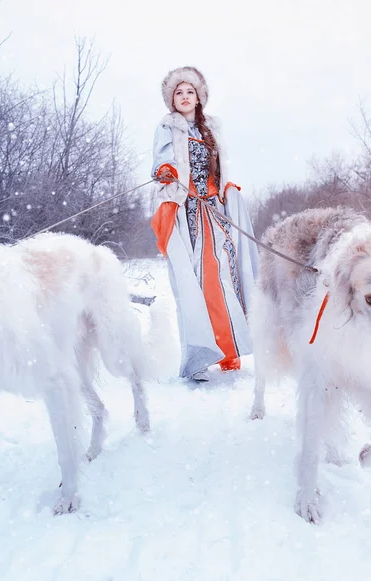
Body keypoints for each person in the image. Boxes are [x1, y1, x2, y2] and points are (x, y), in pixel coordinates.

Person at [151, 66, 259, 382]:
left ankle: (229, 352)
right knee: (196, 282)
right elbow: (160, 160)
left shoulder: (212, 127)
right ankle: (199, 356)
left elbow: (224, 165)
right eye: (178, 92)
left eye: (190, 91)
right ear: (172, 99)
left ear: (199, 97)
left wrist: (227, 189)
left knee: (225, 277)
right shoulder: (166, 126)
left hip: (215, 211)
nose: (184, 97)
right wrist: (167, 171)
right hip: (187, 211)